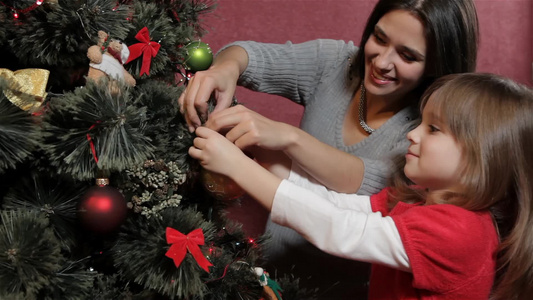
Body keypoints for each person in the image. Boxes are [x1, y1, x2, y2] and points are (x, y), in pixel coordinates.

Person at [180, 0, 479, 296]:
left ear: (438, 65)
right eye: (379, 38)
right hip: (267, 279)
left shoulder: (427, 135)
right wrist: (225, 70)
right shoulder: (338, 63)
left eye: (407, 56)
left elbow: (355, 200)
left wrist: (285, 139)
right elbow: (248, 55)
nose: (382, 61)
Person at [189, 72, 533, 299]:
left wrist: (237, 167)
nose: (412, 134)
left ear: (480, 157)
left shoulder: (460, 232)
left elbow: (339, 230)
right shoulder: (417, 200)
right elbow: (337, 206)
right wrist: (263, 161)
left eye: (433, 129)